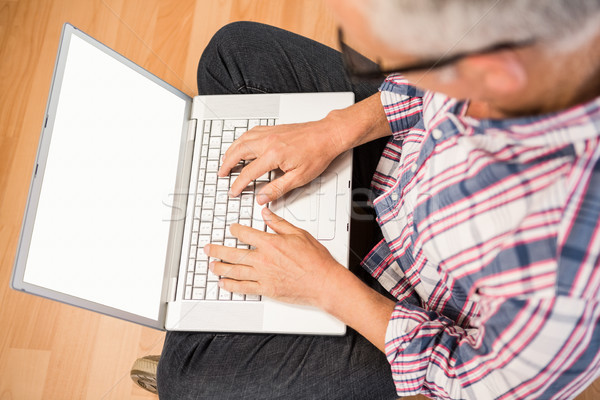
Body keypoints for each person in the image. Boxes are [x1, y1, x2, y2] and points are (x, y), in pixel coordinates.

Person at [139, 0, 600, 398]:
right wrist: (336, 129)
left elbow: (470, 383)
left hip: (406, 302)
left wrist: (323, 285)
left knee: (183, 379)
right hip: (396, 169)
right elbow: (423, 83)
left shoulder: (572, 286)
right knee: (234, 54)